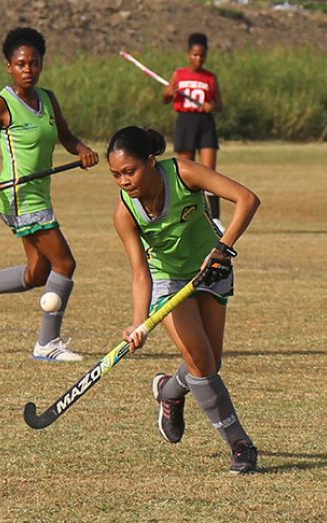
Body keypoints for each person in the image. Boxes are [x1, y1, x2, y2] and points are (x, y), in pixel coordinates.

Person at [108, 126, 260, 473]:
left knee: (207, 364)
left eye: (129, 171)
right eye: (116, 175)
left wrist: (224, 248)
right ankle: (240, 444)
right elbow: (140, 273)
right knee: (203, 364)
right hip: (168, 281)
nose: (123, 181)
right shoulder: (124, 213)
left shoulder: (183, 172)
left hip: (212, 270)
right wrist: (138, 322)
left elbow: (247, 199)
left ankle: (170, 390)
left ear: (150, 162)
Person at [0, 27, 99, 362]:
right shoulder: (0, 105)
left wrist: (82, 149)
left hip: (41, 194)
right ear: (9, 67)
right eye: (21, 64)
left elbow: (67, 137)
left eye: (34, 63)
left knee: (37, 274)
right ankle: (47, 343)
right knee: (65, 262)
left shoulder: (48, 98)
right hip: (18, 197)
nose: (28, 69)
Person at [161, 32, 225, 232]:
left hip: (205, 123)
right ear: (189, 54)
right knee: (185, 172)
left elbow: (219, 104)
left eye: (202, 55)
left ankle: (215, 218)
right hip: (186, 122)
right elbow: (165, 98)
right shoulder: (178, 74)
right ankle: (185, 215)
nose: (198, 59)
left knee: (209, 171)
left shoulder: (210, 77)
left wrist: (211, 106)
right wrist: (168, 93)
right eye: (195, 55)